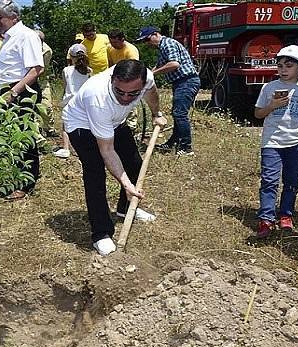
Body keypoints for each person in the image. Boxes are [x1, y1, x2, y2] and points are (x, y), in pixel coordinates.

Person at [62, 60, 167, 256]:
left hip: (114, 122)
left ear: (142, 84)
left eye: (133, 93)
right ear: (112, 80)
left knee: (134, 163)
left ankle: (126, 209)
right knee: (95, 174)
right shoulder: (97, 97)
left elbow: (151, 93)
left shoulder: (147, 78)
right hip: (81, 125)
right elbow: (108, 151)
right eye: (120, 92)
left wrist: (156, 113)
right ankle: (101, 234)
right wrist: (127, 185)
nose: (126, 98)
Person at [253, 45, 298, 238]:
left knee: (291, 180)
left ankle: (286, 215)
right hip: (272, 140)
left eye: (288, 66)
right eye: (280, 65)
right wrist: (272, 105)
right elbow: (258, 113)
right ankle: (266, 218)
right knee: (269, 180)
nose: (283, 70)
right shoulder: (269, 87)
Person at [0, 0, 44, 200]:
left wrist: (13, 93)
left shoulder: (26, 35)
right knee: (9, 139)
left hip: (20, 92)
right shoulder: (8, 38)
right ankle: (13, 178)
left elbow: (36, 69)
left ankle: (26, 184)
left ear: (14, 17)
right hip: (8, 92)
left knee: (24, 138)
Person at [137, 26, 200, 156]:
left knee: (179, 114)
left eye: (147, 39)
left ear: (155, 34)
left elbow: (174, 64)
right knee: (178, 113)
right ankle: (173, 143)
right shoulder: (162, 48)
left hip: (187, 81)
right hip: (181, 82)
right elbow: (158, 66)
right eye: (144, 41)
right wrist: (147, 75)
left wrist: (154, 73)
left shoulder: (168, 43)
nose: (147, 43)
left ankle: (186, 148)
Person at [54, 43, 91, 159]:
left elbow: (65, 87)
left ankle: (66, 149)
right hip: (84, 101)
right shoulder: (89, 71)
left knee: (66, 126)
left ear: (71, 56)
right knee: (85, 124)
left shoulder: (66, 70)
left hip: (70, 101)